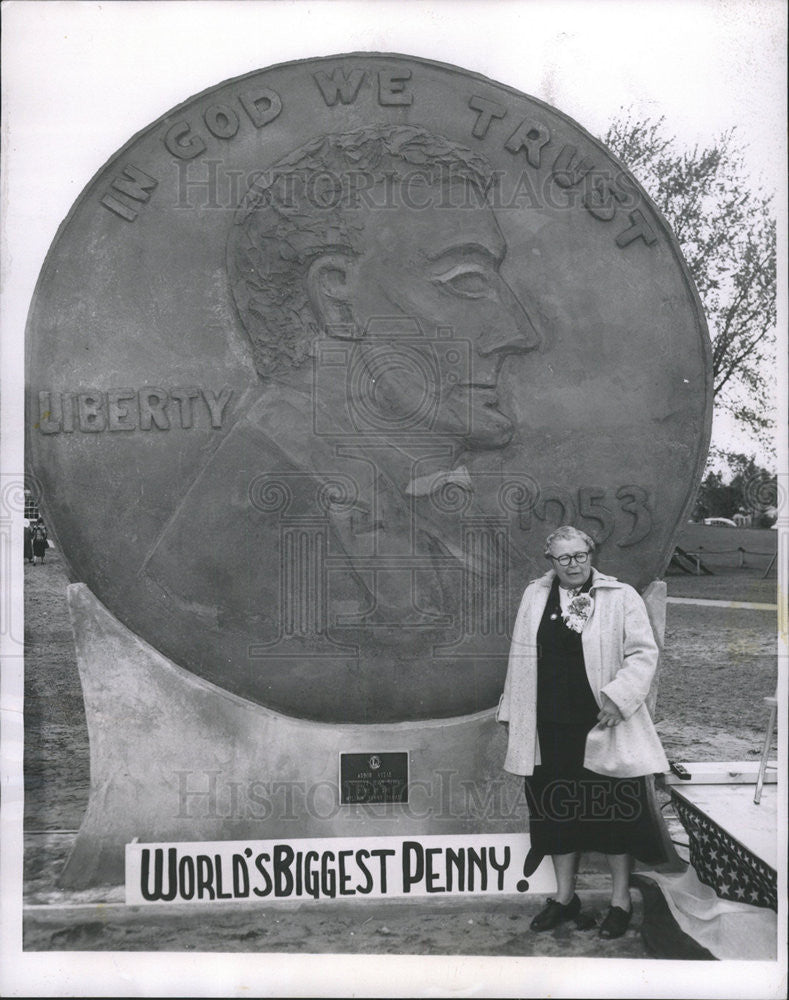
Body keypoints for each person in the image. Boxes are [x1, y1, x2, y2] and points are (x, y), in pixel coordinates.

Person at [138, 124, 543, 723]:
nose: (519, 332)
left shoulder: (421, 485)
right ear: (336, 295)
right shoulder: (246, 520)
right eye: (466, 282)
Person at [497, 525, 669, 939]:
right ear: (550, 562)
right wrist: (513, 712)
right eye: (563, 558)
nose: (573, 565)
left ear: (591, 556)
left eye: (580, 556)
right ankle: (564, 898)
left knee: (613, 815)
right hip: (549, 728)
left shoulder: (619, 596)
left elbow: (643, 654)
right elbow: (520, 656)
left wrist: (619, 697)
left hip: (603, 724)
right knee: (556, 813)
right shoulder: (535, 596)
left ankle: (619, 902)